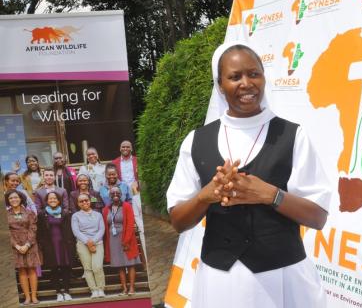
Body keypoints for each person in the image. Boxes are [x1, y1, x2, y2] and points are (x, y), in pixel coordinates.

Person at [166, 41, 331, 307]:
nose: (246, 83)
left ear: (264, 78)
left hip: (284, 280)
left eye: (254, 73)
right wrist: (204, 197)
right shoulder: (196, 142)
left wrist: (271, 195)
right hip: (220, 283)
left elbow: (318, 216)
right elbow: (178, 222)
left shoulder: (292, 136)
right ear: (220, 85)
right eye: (234, 77)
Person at [5, 189, 41, 305]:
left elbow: (33, 229)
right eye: (11, 198)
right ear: (8, 201)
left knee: (31, 269)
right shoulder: (5, 214)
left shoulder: (29, 213)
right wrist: (16, 245)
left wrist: (27, 244)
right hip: (15, 246)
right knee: (21, 271)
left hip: (30, 244)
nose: (13, 200)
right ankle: (27, 297)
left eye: (16, 197)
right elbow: (6, 232)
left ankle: (34, 296)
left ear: (21, 199)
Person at [103, 186, 141, 295]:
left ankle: (132, 288)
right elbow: (106, 226)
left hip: (126, 238)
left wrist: (126, 241)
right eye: (112, 193)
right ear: (109, 196)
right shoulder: (106, 209)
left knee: (130, 264)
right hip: (113, 240)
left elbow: (130, 224)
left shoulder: (127, 206)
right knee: (120, 265)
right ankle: (124, 288)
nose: (115, 194)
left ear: (121, 194)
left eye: (117, 192)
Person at [38, 191, 75, 302]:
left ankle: (67, 291)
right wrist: (43, 245)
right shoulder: (42, 214)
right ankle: (58, 292)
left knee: (65, 268)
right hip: (50, 246)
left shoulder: (65, 213)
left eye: (55, 198)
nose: (52, 200)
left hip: (64, 245)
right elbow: (39, 232)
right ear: (46, 201)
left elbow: (70, 230)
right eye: (50, 198)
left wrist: (70, 244)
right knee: (53, 269)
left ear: (59, 200)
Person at [112, 140, 146, 256]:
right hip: (121, 195)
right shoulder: (115, 162)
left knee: (138, 218)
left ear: (131, 149)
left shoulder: (138, 161)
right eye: (123, 147)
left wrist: (138, 182)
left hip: (136, 194)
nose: (125, 148)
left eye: (128, 147)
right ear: (120, 148)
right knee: (126, 220)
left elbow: (143, 175)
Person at [71, 193, 106, 298]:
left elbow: (102, 229)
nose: (84, 202)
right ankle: (94, 290)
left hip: (97, 243)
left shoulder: (98, 215)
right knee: (88, 268)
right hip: (82, 244)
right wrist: (87, 241)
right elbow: (76, 231)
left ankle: (101, 289)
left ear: (90, 201)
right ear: (78, 204)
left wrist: (93, 241)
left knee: (97, 267)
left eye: (86, 200)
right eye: (81, 201)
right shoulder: (75, 216)